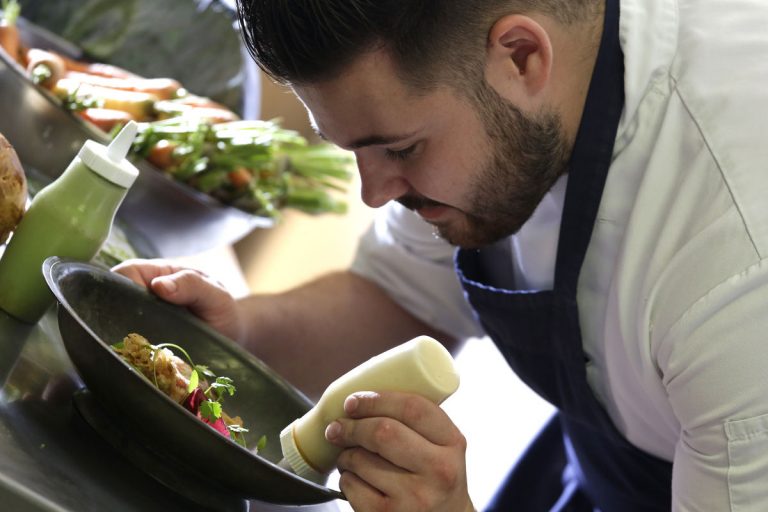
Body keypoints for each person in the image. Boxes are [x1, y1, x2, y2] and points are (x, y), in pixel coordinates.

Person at [113, 0, 768, 510]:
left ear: (520, 56)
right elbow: (399, 296)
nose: (373, 194)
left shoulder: (736, 273)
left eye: (399, 151)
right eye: (355, 151)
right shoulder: (501, 97)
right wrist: (240, 332)